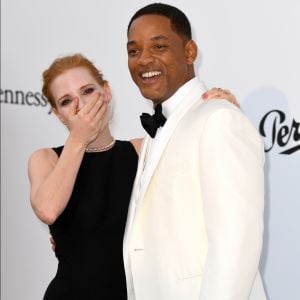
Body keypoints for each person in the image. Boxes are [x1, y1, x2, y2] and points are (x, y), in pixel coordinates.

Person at [28, 53, 237, 299]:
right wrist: (78, 138)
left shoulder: (143, 150)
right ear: (58, 114)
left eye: (87, 91)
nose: (80, 105)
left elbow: (206, 170)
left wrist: (223, 112)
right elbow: (48, 210)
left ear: (106, 92)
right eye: (66, 101)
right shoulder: (46, 159)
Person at [123, 3, 267, 300]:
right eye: (133, 51)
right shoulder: (155, 132)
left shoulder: (219, 119)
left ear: (189, 52)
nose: (144, 59)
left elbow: (235, 244)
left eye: (159, 46)